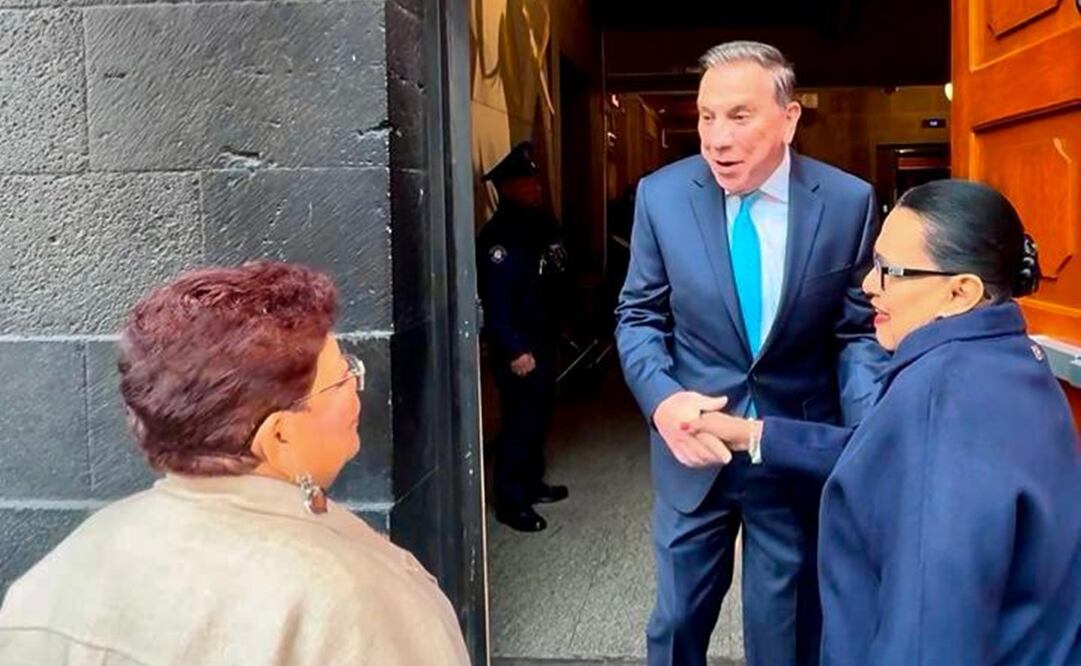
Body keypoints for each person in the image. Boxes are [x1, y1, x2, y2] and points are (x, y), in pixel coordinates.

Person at [0, 261, 470, 666]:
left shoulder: (63, 569)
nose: (354, 382)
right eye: (340, 377)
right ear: (279, 436)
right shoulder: (359, 602)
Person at [689, 179, 1081, 665]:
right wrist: (752, 435)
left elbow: (926, 637)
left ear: (960, 291)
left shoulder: (943, 397)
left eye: (888, 271)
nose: (869, 286)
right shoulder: (1007, 358)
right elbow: (888, 456)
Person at [614, 41, 888, 666]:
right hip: (695, 448)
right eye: (707, 116)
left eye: (739, 116)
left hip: (789, 449)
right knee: (675, 625)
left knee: (786, 636)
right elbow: (638, 316)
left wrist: (867, 438)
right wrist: (662, 402)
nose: (717, 139)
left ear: (789, 119)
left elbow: (857, 334)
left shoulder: (847, 202)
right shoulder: (662, 196)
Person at [477, 141, 570, 532]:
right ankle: (511, 500)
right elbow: (496, 300)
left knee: (539, 415)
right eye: (526, 183)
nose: (535, 188)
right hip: (519, 346)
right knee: (518, 422)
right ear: (507, 188)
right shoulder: (498, 238)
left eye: (535, 182)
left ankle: (531, 482)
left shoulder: (537, 225)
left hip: (542, 337)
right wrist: (515, 349)